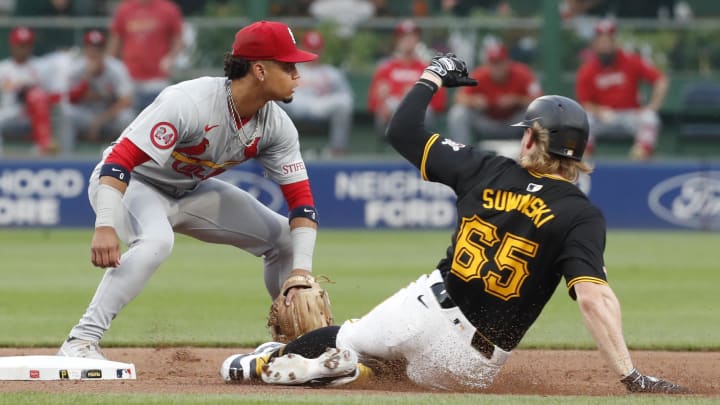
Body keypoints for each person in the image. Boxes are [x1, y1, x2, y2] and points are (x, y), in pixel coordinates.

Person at [220, 54, 689, 394]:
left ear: (531, 137)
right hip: (469, 365)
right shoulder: (580, 214)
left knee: (348, 336)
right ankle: (348, 368)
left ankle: (271, 362)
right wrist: (630, 375)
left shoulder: (485, 168)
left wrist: (432, 76)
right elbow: (593, 298)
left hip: (426, 307)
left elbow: (401, 131)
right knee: (399, 377)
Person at [56, 21, 323, 360]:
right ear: (259, 70)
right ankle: (80, 341)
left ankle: (292, 346)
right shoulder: (190, 102)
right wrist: (105, 224)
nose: (297, 74)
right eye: (288, 65)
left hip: (190, 191)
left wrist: (301, 271)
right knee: (157, 240)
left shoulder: (276, 125)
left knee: (285, 239)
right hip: (133, 184)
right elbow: (118, 162)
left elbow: (303, 205)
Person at [575, 19, 669, 160]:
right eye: (602, 41)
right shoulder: (587, 70)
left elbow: (661, 80)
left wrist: (653, 105)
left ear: (615, 42)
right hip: (603, 116)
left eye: (609, 41)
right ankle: (585, 155)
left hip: (630, 115)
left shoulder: (631, 60)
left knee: (650, 118)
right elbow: (584, 103)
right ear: (595, 44)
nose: (605, 45)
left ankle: (640, 154)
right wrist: (599, 111)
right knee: (583, 119)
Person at [367, 19, 446, 144]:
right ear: (397, 41)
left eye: (412, 36)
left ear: (418, 40)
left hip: (419, 116)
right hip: (391, 116)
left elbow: (439, 104)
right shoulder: (385, 68)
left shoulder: (427, 69)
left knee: (422, 110)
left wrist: (417, 96)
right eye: (404, 37)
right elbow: (372, 103)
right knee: (385, 110)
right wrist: (381, 100)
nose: (408, 40)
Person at [447, 42, 542, 146]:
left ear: (508, 62)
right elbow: (458, 98)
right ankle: (462, 155)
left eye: (500, 62)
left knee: (537, 113)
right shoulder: (480, 75)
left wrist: (516, 100)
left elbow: (540, 101)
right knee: (458, 113)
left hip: (515, 123)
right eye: (493, 63)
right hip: (488, 123)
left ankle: (536, 157)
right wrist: (474, 101)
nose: (497, 67)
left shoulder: (523, 73)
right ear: (487, 64)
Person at [278, 30, 354, 157]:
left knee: (344, 102)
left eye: (316, 50)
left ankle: (337, 149)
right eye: (309, 49)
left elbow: (346, 96)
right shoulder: (289, 69)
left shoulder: (332, 72)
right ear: (302, 48)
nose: (313, 54)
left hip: (321, 104)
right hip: (295, 104)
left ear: (322, 50)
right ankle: (279, 148)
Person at [59, 29, 135, 154]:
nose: (94, 52)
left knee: (127, 117)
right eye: (91, 48)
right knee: (66, 113)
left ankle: (123, 157)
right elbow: (69, 99)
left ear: (104, 51)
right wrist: (87, 77)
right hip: (86, 115)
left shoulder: (116, 68)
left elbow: (126, 101)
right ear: (85, 50)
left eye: (98, 49)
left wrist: (100, 121)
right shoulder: (76, 68)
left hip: (109, 117)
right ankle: (66, 156)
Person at [108, 0, 184, 111]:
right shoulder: (124, 9)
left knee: (158, 116)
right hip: (129, 77)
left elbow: (178, 40)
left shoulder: (168, 9)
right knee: (127, 118)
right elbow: (115, 42)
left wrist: (170, 58)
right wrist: (111, 67)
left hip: (157, 78)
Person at [0, 26, 57, 155]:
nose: (23, 49)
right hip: (10, 112)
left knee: (37, 96)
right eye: (20, 45)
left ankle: (43, 148)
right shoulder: (3, 68)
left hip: (34, 115)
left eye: (26, 45)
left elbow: (53, 95)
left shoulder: (42, 66)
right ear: (12, 45)